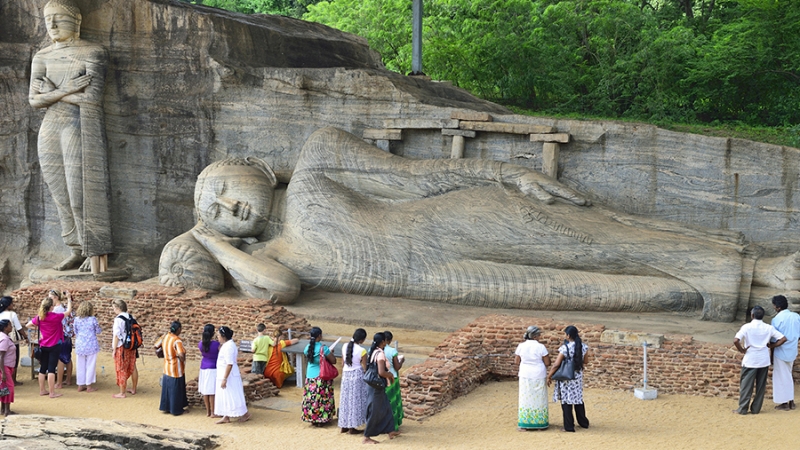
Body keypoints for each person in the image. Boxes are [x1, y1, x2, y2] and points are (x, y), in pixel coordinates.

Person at [160, 126, 792, 323]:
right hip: (444, 277)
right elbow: (278, 292)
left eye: (222, 192)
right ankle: (749, 295)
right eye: (216, 213)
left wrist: (506, 175)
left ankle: (764, 269)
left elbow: (420, 176)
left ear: (249, 167)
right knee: (608, 292)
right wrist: (209, 240)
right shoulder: (277, 258)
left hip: (460, 222)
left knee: (599, 244)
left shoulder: (318, 159)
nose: (231, 209)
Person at [28, 0, 112, 272]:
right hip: (50, 127)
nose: (51, 25)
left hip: (78, 126)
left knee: (80, 191)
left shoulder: (93, 52)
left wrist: (52, 92)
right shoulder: (42, 56)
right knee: (59, 193)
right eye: (47, 19)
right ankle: (74, 248)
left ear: (76, 22)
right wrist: (66, 89)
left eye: (58, 19)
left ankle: (93, 248)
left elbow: (92, 98)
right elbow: (34, 100)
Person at [733, 305, 786, 414]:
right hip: (763, 360)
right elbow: (783, 338)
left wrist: (742, 350)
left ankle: (742, 409)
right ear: (763, 316)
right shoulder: (768, 328)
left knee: (746, 386)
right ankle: (756, 409)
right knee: (760, 387)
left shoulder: (746, 327)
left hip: (750, 360)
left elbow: (735, 340)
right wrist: (772, 346)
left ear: (752, 315)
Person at [26, 292, 72, 398]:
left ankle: (42, 390)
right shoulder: (55, 316)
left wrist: (38, 328)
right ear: (51, 307)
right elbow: (68, 311)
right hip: (55, 344)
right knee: (51, 369)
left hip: (44, 344)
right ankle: (52, 392)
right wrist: (69, 299)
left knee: (43, 368)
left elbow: (28, 325)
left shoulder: (40, 317)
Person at [547, 325, 590, 432]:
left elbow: (556, 364)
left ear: (568, 335)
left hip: (566, 377)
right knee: (578, 398)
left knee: (566, 401)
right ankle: (583, 422)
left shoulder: (565, 348)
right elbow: (585, 361)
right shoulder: (583, 347)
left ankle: (569, 426)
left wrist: (549, 376)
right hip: (577, 376)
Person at [363, 332, 400, 444]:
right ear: (383, 342)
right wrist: (390, 375)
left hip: (373, 385)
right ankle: (367, 436)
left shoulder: (373, 351)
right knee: (375, 411)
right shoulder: (380, 354)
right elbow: (381, 372)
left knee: (386, 406)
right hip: (376, 387)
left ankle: (390, 430)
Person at [515, 325, 551, 430]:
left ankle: (525, 424)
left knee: (525, 397)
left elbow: (517, 361)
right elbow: (547, 362)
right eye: (539, 334)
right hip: (539, 374)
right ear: (535, 336)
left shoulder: (521, 346)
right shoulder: (541, 347)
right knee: (540, 398)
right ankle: (540, 424)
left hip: (525, 374)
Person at [214, 326, 250, 423]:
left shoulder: (229, 346)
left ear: (223, 336)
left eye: (218, 335)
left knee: (233, 395)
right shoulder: (226, 345)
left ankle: (245, 414)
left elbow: (229, 364)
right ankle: (226, 415)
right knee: (225, 395)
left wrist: (225, 378)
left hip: (229, 376)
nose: (217, 337)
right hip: (223, 374)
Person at [301, 326, 336, 427]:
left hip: (310, 375)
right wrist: (329, 353)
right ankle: (322, 418)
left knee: (311, 398)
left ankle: (312, 418)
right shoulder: (323, 348)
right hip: (321, 375)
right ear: (319, 336)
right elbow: (333, 360)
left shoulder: (307, 347)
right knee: (322, 398)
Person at [770, 295, 800, 411]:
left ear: (778, 307)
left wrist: (771, 353)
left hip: (780, 351)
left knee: (780, 377)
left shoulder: (776, 319)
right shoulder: (796, 316)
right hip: (792, 350)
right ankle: (791, 401)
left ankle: (784, 403)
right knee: (788, 374)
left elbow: (774, 339)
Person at [339, 328, 368, 434]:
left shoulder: (344, 346)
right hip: (357, 376)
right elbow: (365, 367)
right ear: (362, 340)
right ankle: (352, 427)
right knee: (355, 401)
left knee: (345, 400)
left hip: (346, 375)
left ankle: (344, 425)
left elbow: (342, 363)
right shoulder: (362, 351)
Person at [156, 321, 188, 416]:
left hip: (167, 367)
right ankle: (176, 409)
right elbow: (181, 354)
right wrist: (180, 357)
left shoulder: (165, 336)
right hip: (176, 368)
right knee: (176, 390)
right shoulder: (177, 340)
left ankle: (166, 407)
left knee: (167, 389)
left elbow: (156, 346)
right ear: (178, 329)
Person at [0, 296, 30, 386]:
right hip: (11, 340)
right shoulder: (12, 314)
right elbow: (19, 328)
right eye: (12, 303)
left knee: (2, 356)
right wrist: (25, 337)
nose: (13, 305)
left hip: (1, 339)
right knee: (14, 358)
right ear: (8, 305)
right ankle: (13, 380)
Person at [111, 299, 137, 398]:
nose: (114, 310)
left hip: (121, 346)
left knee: (121, 367)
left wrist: (114, 349)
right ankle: (134, 388)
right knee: (133, 365)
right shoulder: (131, 317)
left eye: (114, 308)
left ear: (118, 308)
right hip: (131, 345)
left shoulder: (118, 319)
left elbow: (116, 335)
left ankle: (122, 392)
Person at [73, 301, 101, 392]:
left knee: (80, 365)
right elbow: (98, 330)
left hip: (80, 344)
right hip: (91, 344)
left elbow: (75, 331)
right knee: (90, 365)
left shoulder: (76, 319)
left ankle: (80, 385)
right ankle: (89, 385)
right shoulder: (92, 319)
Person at [51, 290, 74, 389]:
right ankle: (68, 379)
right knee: (67, 357)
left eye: (50, 297)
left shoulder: (57, 309)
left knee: (60, 358)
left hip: (60, 335)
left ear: (56, 297)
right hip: (67, 334)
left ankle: (59, 382)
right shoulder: (65, 306)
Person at [382, 330, 404, 430]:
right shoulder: (392, 351)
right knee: (393, 402)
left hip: (380, 378)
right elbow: (397, 367)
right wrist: (402, 361)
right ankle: (393, 426)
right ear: (390, 340)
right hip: (392, 378)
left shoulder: (375, 350)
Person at [198, 324, 220, 418]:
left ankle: (208, 411)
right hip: (213, 368)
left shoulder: (200, 344)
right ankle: (213, 412)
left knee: (205, 391)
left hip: (203, 367)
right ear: (213, 333)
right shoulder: (216, 345)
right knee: (212, 391)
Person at [0, 320, 16, 415]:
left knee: (4, 387)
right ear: (5, 327)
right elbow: (1, 356)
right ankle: (7, 410)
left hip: (7, 366)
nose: (11, 327)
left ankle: (3, 409)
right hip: (5, 367)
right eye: (10, 325)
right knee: (9, 387)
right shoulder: (5, 339)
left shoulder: (4, 337)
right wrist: (3, 372)